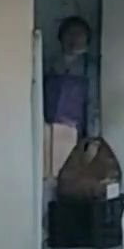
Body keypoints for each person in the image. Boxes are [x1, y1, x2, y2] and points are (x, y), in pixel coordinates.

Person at [44, 15, 92, 175]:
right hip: (49, 130)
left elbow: (93, 104)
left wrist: (91, 138)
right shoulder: (50, 64)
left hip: (77, 132)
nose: (74, 39)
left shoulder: (89, 67)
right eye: (70, 33)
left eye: (79, 34)